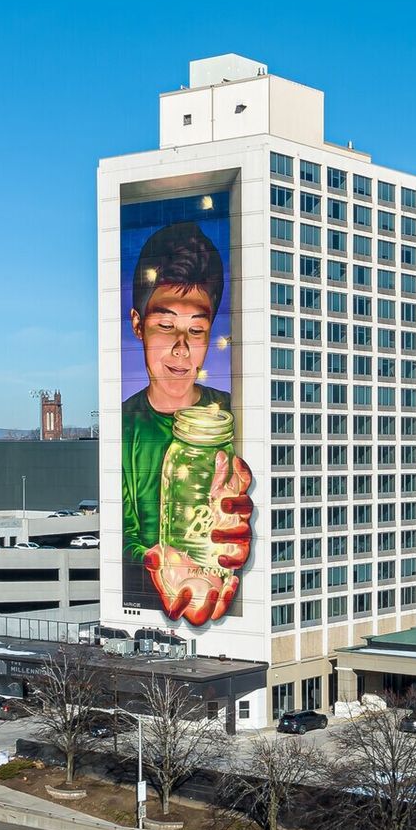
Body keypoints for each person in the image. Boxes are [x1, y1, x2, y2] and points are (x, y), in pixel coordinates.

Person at [120, 220, 253, 626]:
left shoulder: (236, 415)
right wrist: (155, 565)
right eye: (165, 326)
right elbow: (122, 534)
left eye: (196, 330)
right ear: (138, 324)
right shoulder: (124, 429)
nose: (181, 349)